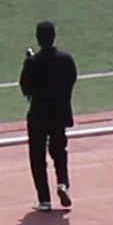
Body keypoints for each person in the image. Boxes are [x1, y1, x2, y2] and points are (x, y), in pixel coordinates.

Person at [20, 20, 76, 212]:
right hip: (59, 113)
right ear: (54, 36)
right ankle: (63, 183)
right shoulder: (66, 59)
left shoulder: (33, 62)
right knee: (59, 150)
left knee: (37, 156)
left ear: (38, 38)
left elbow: (26, 88)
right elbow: (71, 81)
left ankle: (44, 199)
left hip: (38, 115)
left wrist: (29, 62)